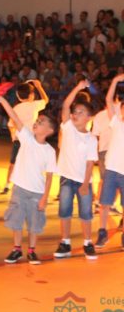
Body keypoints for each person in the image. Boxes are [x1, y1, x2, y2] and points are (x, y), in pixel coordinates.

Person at [0, 93, 57, 264]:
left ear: (49, 131)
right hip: (20, 189)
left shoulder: (50, 151)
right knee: (16, 219)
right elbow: (15, 117)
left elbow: (50, 176)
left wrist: (45, 197)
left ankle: (31, 250)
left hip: (37, 192)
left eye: (41, 122)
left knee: (35, 223)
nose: (36, 122)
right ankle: (16, 249)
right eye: (37, 120)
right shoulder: (27, 137)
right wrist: (2, 100)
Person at [54, 80, 99, 260]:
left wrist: (86, 184)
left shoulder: (91, 139)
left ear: (89, 118)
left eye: (81, 112)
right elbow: (66, 105)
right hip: (66, 178)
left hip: (83, 181)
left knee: (86, 213)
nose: (75, 114)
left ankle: (88, 242)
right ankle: (65, 242)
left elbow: (90, 163)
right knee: (64, 211)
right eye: (75, 111)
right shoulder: (68, 129)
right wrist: (78, 88)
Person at [3, 79, 49, 194]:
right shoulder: (34, 105)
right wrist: (39, 86)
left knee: (13, 162)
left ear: (18, 96)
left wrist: (13, 136)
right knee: (32, 162)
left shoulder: (16, 108)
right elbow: (46, 100)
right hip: (32, 140)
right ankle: (31, 184)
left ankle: (8, 184)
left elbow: (10, 124)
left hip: (19, 139)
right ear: (32, 95)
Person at [96, 74, 124, 249]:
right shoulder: (117, 123)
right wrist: (115, 81)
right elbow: (108, 99)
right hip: (112, 169)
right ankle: (102, 232)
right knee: (105, 203)